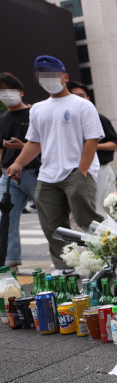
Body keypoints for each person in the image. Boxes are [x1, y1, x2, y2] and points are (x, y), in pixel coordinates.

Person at [7, 56, 104, 274]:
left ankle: (112, 255)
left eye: (52, 74)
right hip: (47, 175)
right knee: (52, 225)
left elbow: (93, 139)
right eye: (42, 75)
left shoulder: (83, 105)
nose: (47, 79)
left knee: (86, 219)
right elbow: (35, 142)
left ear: (65, 77)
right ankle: (65, 267)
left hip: (77, 170)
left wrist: (83, 169)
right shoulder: (38, 109)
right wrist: (18, 164)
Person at [0, 73, 42, 271]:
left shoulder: (35, 113)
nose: (5, 95)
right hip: (8, 175)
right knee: (5, 218)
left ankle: (64, 263)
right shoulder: (2, 119)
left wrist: (22, 147)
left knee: (51, 216)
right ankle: (10, 263)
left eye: (9, 90)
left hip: (35, 173)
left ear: (21, 92)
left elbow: (42, 145)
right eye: (1, 91)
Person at [66, 81, 117, 218]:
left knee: (111, 208)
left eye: (81, 95)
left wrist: (93, 145)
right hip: (74, 171)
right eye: (73, 95)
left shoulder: (98, 118)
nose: (78, 99)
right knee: (76, 213)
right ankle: (81, 239)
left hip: (101, 169)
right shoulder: (64, 120)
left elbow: (116, 144)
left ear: (88, 99)